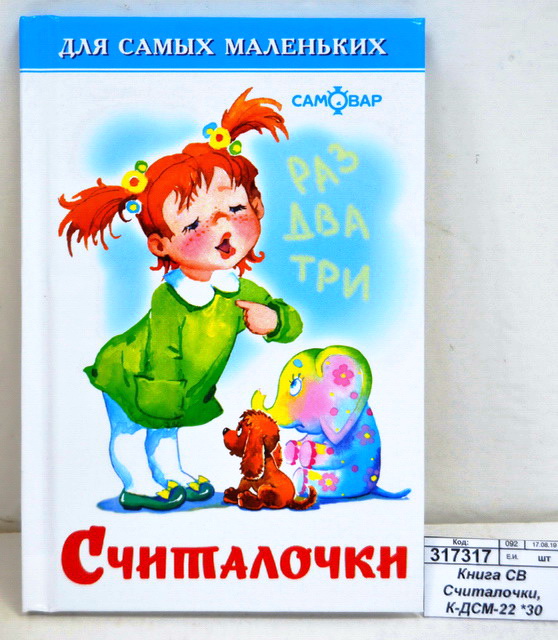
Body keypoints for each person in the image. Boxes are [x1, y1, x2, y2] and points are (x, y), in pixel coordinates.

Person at [59, 88, 303, 511]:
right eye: (192, 225)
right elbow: (163, 354)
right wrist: (168, 404)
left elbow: (289, 321)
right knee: (134, 429)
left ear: (257, 205)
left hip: (178, 387)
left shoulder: (238, 289)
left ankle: (171, 474)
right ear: (160, 245)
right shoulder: (170, 299)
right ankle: (138, 483)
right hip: (132, 373)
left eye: (236, 209)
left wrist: (275, 320)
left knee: (166, 430)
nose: (223, 229)